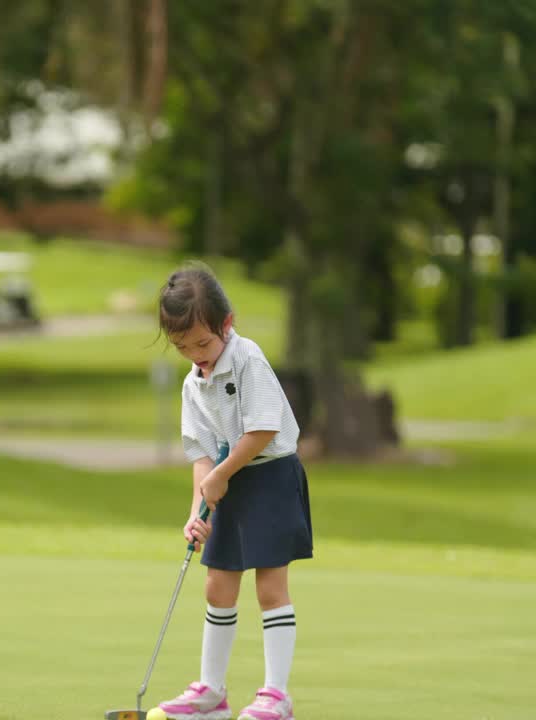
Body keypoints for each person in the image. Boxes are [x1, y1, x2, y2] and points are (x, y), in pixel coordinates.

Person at [152, 265, 313, 720]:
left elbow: (264, 429)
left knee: (269, 585)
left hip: (271, 475)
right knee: (218, 586)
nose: (195, 354)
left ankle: (276, 696)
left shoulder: (247, 359)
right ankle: (212, 693)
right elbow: (202, 455)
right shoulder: (192, 383)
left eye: (202, 344)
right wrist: (196, 511)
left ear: (227, 323)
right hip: (229, 479)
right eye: (183, 347)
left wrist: (221, 474)